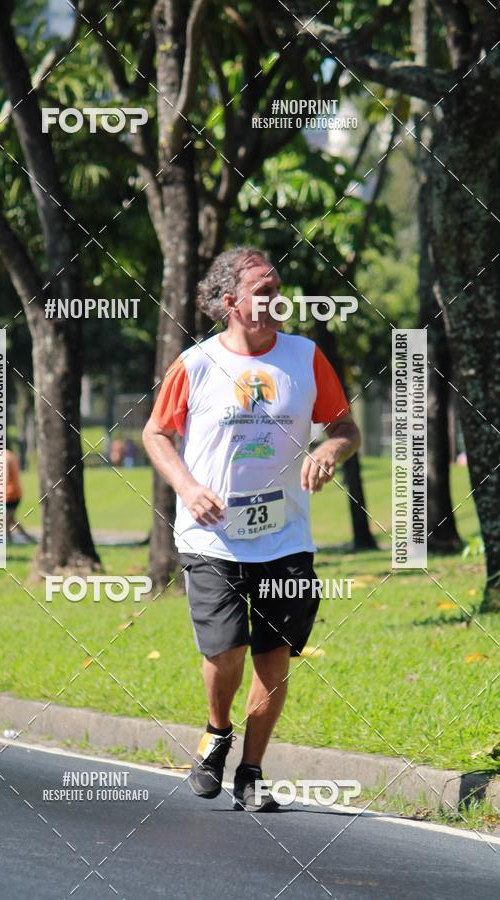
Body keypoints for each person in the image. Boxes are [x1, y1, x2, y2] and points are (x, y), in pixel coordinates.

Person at [142, 246, 360, 811]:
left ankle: (252, 771)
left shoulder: (305, 357)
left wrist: (329, 450)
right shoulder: (194, 365)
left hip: (286, 537)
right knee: (226, 652)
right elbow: (155, 434)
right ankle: (217, 732)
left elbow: (345, 428)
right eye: (263, 290)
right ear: (230, 301)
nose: (276, 298)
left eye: (278, 288)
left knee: (274, 656)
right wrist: (188, 487)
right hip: (212, 535)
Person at [4, 441, 36, 544]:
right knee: (11, 519)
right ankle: (29, 538)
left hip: (10, 494)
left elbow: (5, 477)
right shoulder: (9, 455)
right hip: (14, 492)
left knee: (5, 520)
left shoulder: (4, 458)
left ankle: (9, 542)